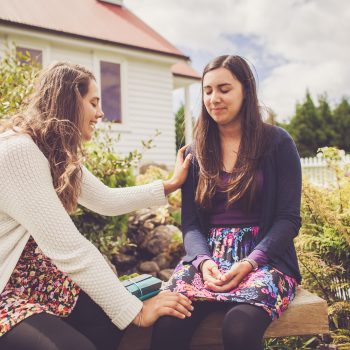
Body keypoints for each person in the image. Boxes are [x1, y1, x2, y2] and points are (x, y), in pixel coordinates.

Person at [0, 61, 194, 350]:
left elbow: (106, 200)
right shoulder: (20, 152)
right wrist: (137, 311)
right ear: (69, 103)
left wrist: (168, 185)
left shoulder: (52, 150)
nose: (101, 113)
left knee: (108, 322)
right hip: (6, 289)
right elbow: (69, 250)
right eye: (93, 103)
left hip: (28, 277)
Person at [151, 55, 302, 350]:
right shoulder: (196, 152)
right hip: (209, 262)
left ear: (246, 90)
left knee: (239, 327)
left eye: (224, 89)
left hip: (265, 261)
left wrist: (250, 262)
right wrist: (203, 261)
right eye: (207, 91)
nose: (214, 98)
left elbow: (288, 219)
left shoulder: (278, 143)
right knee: (168, 322)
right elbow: (191, 225)